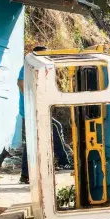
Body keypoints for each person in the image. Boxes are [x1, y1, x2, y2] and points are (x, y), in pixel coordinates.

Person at [18, 46, 71, 184]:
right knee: (55, 126)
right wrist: (34, 100)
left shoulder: (39, 67)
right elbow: (21, 82)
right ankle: (63, 161)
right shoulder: (29, 65)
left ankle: (25, 175)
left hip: (34, 110)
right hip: (33, 110)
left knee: (31, 142)